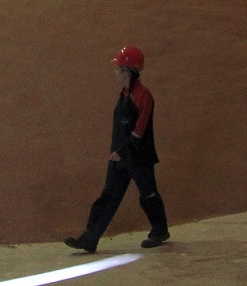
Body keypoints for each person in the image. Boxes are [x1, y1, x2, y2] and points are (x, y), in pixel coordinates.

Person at [63, 44, 170, 253]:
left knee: (148, 194)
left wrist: (122, 151)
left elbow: (139, 131)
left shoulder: (143, 96)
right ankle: (90, 238)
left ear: (128, 71)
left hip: (138, 158)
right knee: (109, 196)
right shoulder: (125, 94)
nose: (116, 72)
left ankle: (160, 231)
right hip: (120, 156)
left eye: (119, 69)